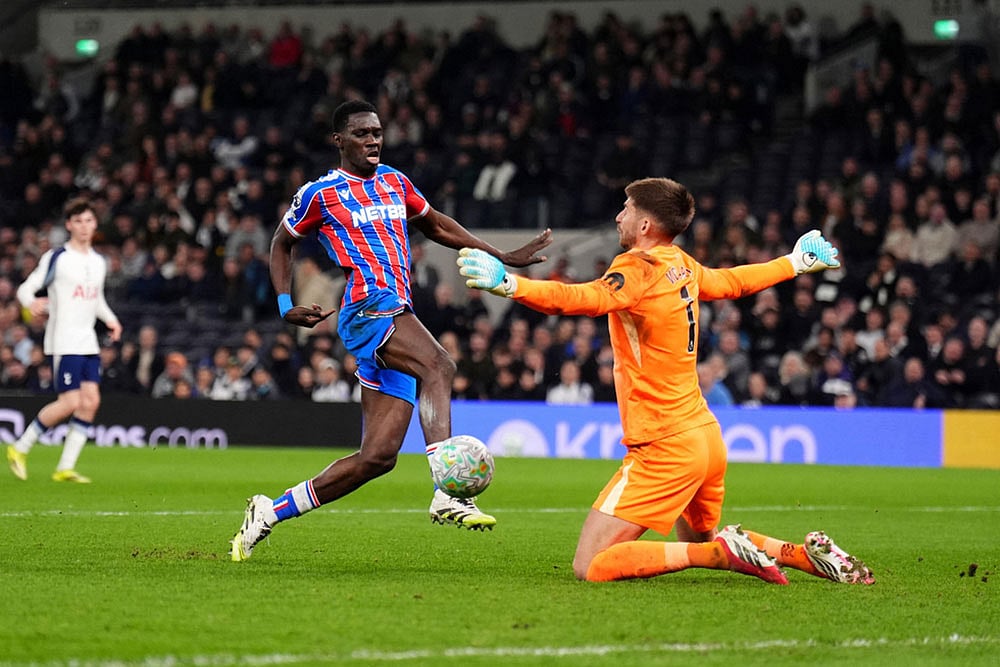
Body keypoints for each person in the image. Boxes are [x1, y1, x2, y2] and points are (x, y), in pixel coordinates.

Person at [458, 177, 874, 585]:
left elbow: (586, 299)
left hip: (664, 444)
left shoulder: (636, 269)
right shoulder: (681, 265)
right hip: (705, 440)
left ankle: (724, 553)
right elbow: (732, 283)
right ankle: (804, 557)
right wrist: (794, 263)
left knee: (593, 564)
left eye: (626, 209)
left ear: (644, 226)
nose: (618, 215)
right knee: (701, 541)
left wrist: (511, 285)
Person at [230, 99, 551, 561]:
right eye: (362, 133)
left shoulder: (396, 182)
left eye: (378, 132)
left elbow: (436, 224)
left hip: (394, 311)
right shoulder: (320, 194)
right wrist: (284, 305)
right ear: (340, 140)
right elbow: (282, 244)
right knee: (439, 363)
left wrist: (500, 254)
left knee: (376, 459)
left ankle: (268, 512)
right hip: (365, 308)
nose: (373, 140)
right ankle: (449, 492)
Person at [7, 198, 123, 483]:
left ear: (95, 224)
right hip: (64, 340)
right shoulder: (57, 257)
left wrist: (111, 319)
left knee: (91, 402)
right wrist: (30, 303)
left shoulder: (98, 262)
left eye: (89, 220)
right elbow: (26, 288)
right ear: (69, 225)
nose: (84, 226)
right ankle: (19, 448)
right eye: (78, 221)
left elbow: (96, 300)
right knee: (70, 402)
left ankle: (64, 467)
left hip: (88, 342)